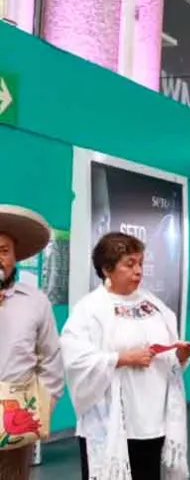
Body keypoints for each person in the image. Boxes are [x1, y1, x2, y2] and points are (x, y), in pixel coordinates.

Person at [61, 232, 190, 479]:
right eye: (129, 264)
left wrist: (180, 355)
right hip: (113, 420)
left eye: (140, 263)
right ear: (107, 269)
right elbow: (75, 359)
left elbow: (169, 357)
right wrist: (122, 359)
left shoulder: (155, 306)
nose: (138, 271)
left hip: (154, 419)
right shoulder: (90, 310)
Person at [0, 205, 65, 480]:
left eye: (3, 251)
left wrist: (41, 406)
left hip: (15, 414)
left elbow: (52, 358)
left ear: (16, 257)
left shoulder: (35, 301)